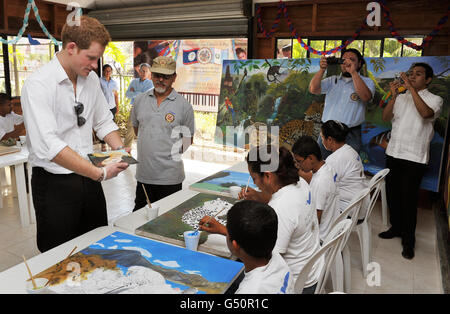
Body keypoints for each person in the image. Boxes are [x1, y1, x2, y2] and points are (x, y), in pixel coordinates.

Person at [21, 16, 129, 253]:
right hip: (54, 184)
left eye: (97, 59)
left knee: (96, 245)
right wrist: (99, 173)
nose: (94, 66)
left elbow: (103, 121)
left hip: (89, 178)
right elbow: (49, 146)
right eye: (90, 58)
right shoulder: (38, 84)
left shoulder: (89, 79)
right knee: (58, 255)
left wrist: (120, 150)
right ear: (71, 48)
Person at [378, 62, 443, 260]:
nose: (412, 77)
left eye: (418, 74)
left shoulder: (435, 99)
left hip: (414, 157)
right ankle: (395, 228)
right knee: (393, 195)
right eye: (411, 74)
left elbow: (425, 114)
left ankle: (409, 242)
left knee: (408, 200)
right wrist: (395, 95)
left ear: (428, 80)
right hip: (394, 152)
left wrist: (411, 89)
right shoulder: (402, 97)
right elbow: (385, 116)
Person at [237, 145, 323, 293]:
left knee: (233, 278)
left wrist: (226, 231)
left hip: (297, 282)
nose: (255, 184)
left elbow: (266, 258)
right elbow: (279, 197)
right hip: (312, 265)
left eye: (254, 178)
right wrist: (258, 196)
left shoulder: (281, 208)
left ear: (268, 176)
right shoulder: (300, 183)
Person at [130, 56, 195, 211]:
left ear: (174, 78)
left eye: (165, 76)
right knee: (139, 217)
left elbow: (188, 139)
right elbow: (137, 128)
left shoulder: (184, 106)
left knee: (167, 220)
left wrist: (169, 154)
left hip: (170, 178)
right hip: (144, 176)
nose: (160, 80)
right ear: (151, 75)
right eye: (157, 75)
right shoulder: (139, 100)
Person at [199, 200, 294, 294]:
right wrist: (223, 230)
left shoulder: (249, 290)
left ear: (235, 246)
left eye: (227, 231)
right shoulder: (276, 257)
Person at [309, 48, 375, 159]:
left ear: (359, 64)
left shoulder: (367, 82)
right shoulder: (332, 80)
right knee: (323, 164)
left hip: (350, 134)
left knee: (347, 167)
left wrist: (353, 72)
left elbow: (366, 97)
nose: (347, 63)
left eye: (352, 60)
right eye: (343, 60)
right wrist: (321, 70)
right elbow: (313, 89)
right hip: (327, 132)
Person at [292, 135, 340, 243]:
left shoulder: (320, 182)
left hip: (321, 238)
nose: (298, 166)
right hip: (331, 227)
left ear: (311, 158)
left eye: (299, 161)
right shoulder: (328, 168)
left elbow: (315, 221)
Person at [320, 120, 367, 219]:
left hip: (348, 210)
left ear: (330, 140)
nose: (321, 140)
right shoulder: (350, 151)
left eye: (322, 137)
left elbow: (323, 187)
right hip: (359, 204)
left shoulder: (335, 159)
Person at [124, 63, 154, 148]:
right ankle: (126, 151)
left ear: (149, 73)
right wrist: (139, 93)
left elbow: (146, 96)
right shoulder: (134, 81)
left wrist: (134, 92)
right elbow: (127, 94)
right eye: (142, 71)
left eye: (146, 71)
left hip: (145, 109)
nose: (143, 73)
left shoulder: (150, 84)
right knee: (130, 129)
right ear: (139, 71)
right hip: (134, 108)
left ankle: (145, 150)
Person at [99, 64, 119, 151]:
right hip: (103, 107)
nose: (108, 72)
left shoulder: (113, 82)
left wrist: (117, 107)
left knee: (111, 126)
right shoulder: (99, 81)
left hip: (112, 107)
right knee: (102, 126)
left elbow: (116, 95)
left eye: (109, 71)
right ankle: (103, 144)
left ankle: (112, 144)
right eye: (106, 71)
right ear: (103, 71)